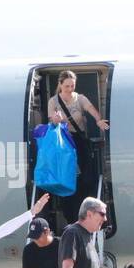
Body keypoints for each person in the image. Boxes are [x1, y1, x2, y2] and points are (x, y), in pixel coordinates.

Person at [47, 70, 109, 224]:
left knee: (85, 179)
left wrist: (99, 120)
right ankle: (70, 216)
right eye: (67, 86)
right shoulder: (53, 101)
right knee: (67, 180)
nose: (70, 89)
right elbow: (51, 123)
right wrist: (56, 120)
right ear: (60, 85)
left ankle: (87, 212)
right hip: (63, 144)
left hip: (79, 142)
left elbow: (92, 110)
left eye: (72, 85)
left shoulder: (80, 98)